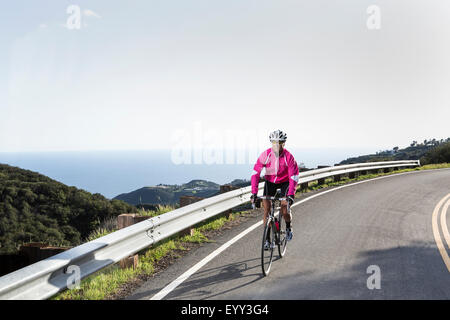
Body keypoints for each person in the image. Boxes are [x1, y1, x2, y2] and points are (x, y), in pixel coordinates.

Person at [250, 129, 299, 250]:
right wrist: (254, 193)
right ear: (271, 143)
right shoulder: (265, 155)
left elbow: (293, 177)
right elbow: (255, 174)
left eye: (279, 143)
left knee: (284, 208)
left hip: (285, 182)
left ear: (284, 143)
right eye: (274, 143)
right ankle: (268, 240)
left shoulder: (289, 157)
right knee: (266, 210)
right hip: (270, 182)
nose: (276, 145)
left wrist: (291, 195)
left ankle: (288, 226)